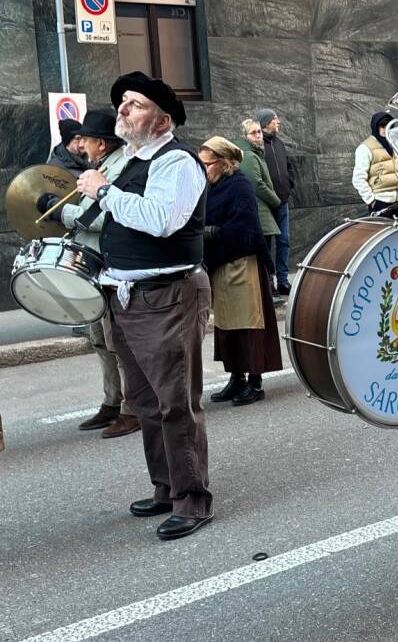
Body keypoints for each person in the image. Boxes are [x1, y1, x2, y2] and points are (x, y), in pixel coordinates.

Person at [76, 71, 213, 541]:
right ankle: (166, 487)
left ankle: (192, 499)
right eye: (123, 103)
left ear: (162, 119)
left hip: (169, 296)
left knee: (176, 404)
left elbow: (161, 221)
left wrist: (104, 192)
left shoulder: (177, 162)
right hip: (127, 296)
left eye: (134, 104)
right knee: (146, 403)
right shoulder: (130, 161)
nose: (122, 110)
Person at [37, 111, 139, 438]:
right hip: (94, 265)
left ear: (102, 142)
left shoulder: (119, 167)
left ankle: (132, 408)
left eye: (86, 139)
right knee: (99, 339)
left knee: (116, 341)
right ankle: (112, 402)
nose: (82, 144)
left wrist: (59, 210)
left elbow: (102, 218)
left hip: (110, 264)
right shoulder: (100, 166)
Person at [199, 138, 283, 406]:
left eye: (207, 164)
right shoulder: (211, 187)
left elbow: (245, 225)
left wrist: (213, 231)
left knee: (248, 324)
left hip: (242, 262)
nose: (204, 169)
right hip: (220, 262)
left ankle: (255, 382)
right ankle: (236, 378)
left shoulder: (240, 185)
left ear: (224, 163)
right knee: (227, 325)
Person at [255, 109, 293, 295]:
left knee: (284, 241)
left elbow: (288, 167)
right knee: (266, 243)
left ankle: (283, 280)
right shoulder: (258, 145)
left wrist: (289, 185)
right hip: (266, 204)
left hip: (283, 201)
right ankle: (268, 280)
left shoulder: (279, 143)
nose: (278, 122)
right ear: (266, 122)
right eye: (274, 119)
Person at [352, 111, 398, 216]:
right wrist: (371, 200)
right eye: (382, 127)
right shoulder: (365, 148)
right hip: (380, 201)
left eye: (388, 126)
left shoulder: (397, 144)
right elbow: (358, 178)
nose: (385, 130)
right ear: (376, 127)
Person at [235, 119, 281, 246]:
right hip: (259, 215)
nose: (258, 135)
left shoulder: (255, 152)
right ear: (245, 137)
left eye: (259, 131)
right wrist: (276, 201)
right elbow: (256, 184)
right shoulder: (249, 155)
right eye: (253, 133)